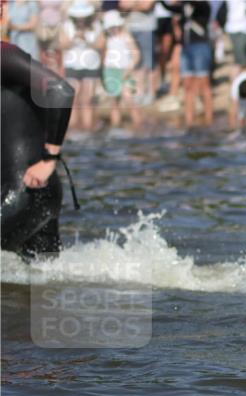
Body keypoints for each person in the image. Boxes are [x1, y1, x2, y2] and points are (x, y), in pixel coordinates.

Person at [1, 37, 76, 257]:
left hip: (26, 189)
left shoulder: (3, 54)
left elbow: (60, 90)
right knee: (36, 284)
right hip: (30, 193)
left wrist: (49, 159)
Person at [61, 1, 104, 132]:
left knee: (88, 99)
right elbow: (62, 44)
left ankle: (87, 128)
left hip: (91, 66)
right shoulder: (67, 26)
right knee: (73, 99)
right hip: (72, 65)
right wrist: (75, 37)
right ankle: (72, 129)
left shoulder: (96, 26)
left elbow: (101, 45)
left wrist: (86, 39)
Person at [102, 10, 143, 128]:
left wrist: (129, 70)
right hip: (110, 71)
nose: (113, 29)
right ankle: (115, 126)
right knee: (114, 102)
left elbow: (136, 55)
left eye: (115, 26)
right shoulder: (107, 38)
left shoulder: (126, 36)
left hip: (125, 70)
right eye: (111, 27)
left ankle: (138, 126)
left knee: (129, 100)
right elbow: (104, 55)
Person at [177, 0, 214, 128]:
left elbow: (197, 4)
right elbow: (170, 8)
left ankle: (209, 120)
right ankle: (189, 121)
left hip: (200, 47)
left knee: (204, 85)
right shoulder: (184, 6)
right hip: (186, 47)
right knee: (187, 86)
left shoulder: (204, 5)